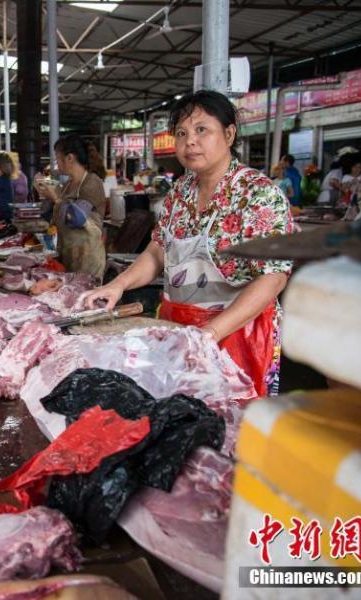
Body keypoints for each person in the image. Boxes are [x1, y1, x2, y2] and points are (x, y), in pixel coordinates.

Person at [79, 90, 295, 398]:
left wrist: (211, 333)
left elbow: (273, 278)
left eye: (201, 130)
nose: (189, 141)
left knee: (236, 431)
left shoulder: (259, 194)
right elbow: (157, 251)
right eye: (181, 133)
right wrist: (119, 285)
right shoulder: (180, 192)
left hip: (239, 333)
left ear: (229, 133)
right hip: (181, 330)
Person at [35, 134, 107, 280]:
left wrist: (55, 197)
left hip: (88, 260)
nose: (56, 163)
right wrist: (41, 191)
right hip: (68, 255)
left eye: (58, 158)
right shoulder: (67, 184)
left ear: (70, 158)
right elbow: (51, 214)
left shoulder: (92, 182)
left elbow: (77, 218)